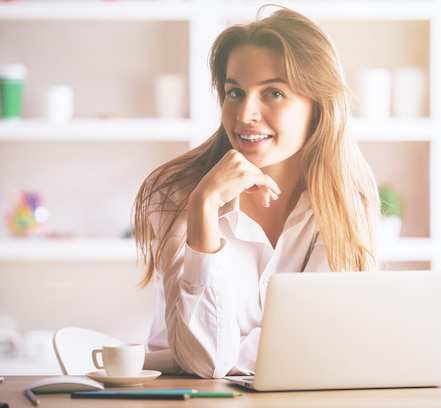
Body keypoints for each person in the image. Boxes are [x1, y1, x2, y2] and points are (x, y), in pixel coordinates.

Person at [134, 5, 381, 379]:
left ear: (319, 106)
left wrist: (247, 350)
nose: (245, 113)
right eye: (235, 92)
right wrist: (203, 206)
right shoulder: (175, 193)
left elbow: (324, 343)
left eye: (273, 93)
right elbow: (205, 362)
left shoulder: (347, 197)